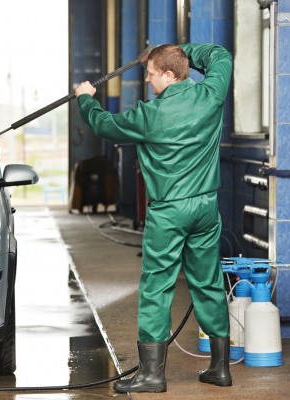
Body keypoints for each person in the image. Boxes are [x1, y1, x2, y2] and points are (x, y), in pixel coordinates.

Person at [74, 43, 233, 393]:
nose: (146, 79)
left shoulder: (149, 115)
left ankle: (151, 374)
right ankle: (220, 368)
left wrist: (85, 97)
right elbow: (221, 56)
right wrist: (181, 50)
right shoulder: (211, 94)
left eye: (151, 72)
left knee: (156, 287)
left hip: (169, 212)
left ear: (171, 74)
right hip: (206, 208)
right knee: (207, 282)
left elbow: (104, 124)